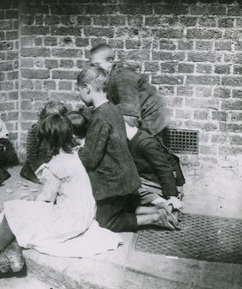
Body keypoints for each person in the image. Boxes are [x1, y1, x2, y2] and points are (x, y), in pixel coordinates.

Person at [0, 114, 123, 281]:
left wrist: (29, 207)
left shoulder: (56, 165)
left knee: (12, 210)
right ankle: (13, 253)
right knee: (24, 215)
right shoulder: (74, 155)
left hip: (69, 221)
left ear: (49, 142)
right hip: (84, 215)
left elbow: (46, 198)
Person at [76, 66, 178, 233]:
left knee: (104, 222)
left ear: (87, 88)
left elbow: (90, 159)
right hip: (128, 180)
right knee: (119, 211)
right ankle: (158, 210)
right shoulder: (114, 109)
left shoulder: (99, 117)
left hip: (113, 185)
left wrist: (79, 150)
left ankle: (154, 217)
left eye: (79, 90)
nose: (79, 95)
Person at [89, 44, 169, 136]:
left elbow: (130, 117)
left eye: (97, 65)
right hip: (143, 122)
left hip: (152, 123)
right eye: (92, 66)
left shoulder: (123, 77)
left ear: (110, 62)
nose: (94, 69)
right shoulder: (110, 78)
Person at [125, 116, 185, 209]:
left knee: (130, 187)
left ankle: (166, 205)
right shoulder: (134, 138)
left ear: (123, 124)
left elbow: (164, 169)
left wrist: (172, 195)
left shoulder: (146, 143)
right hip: (152, 180)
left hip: (166, 184)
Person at [20, 100, 68, 183]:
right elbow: (31, 156)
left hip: (53, 163)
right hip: (38, 165)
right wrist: (40, 173)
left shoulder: (60, 129)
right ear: (45, 118)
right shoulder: (35, 130)